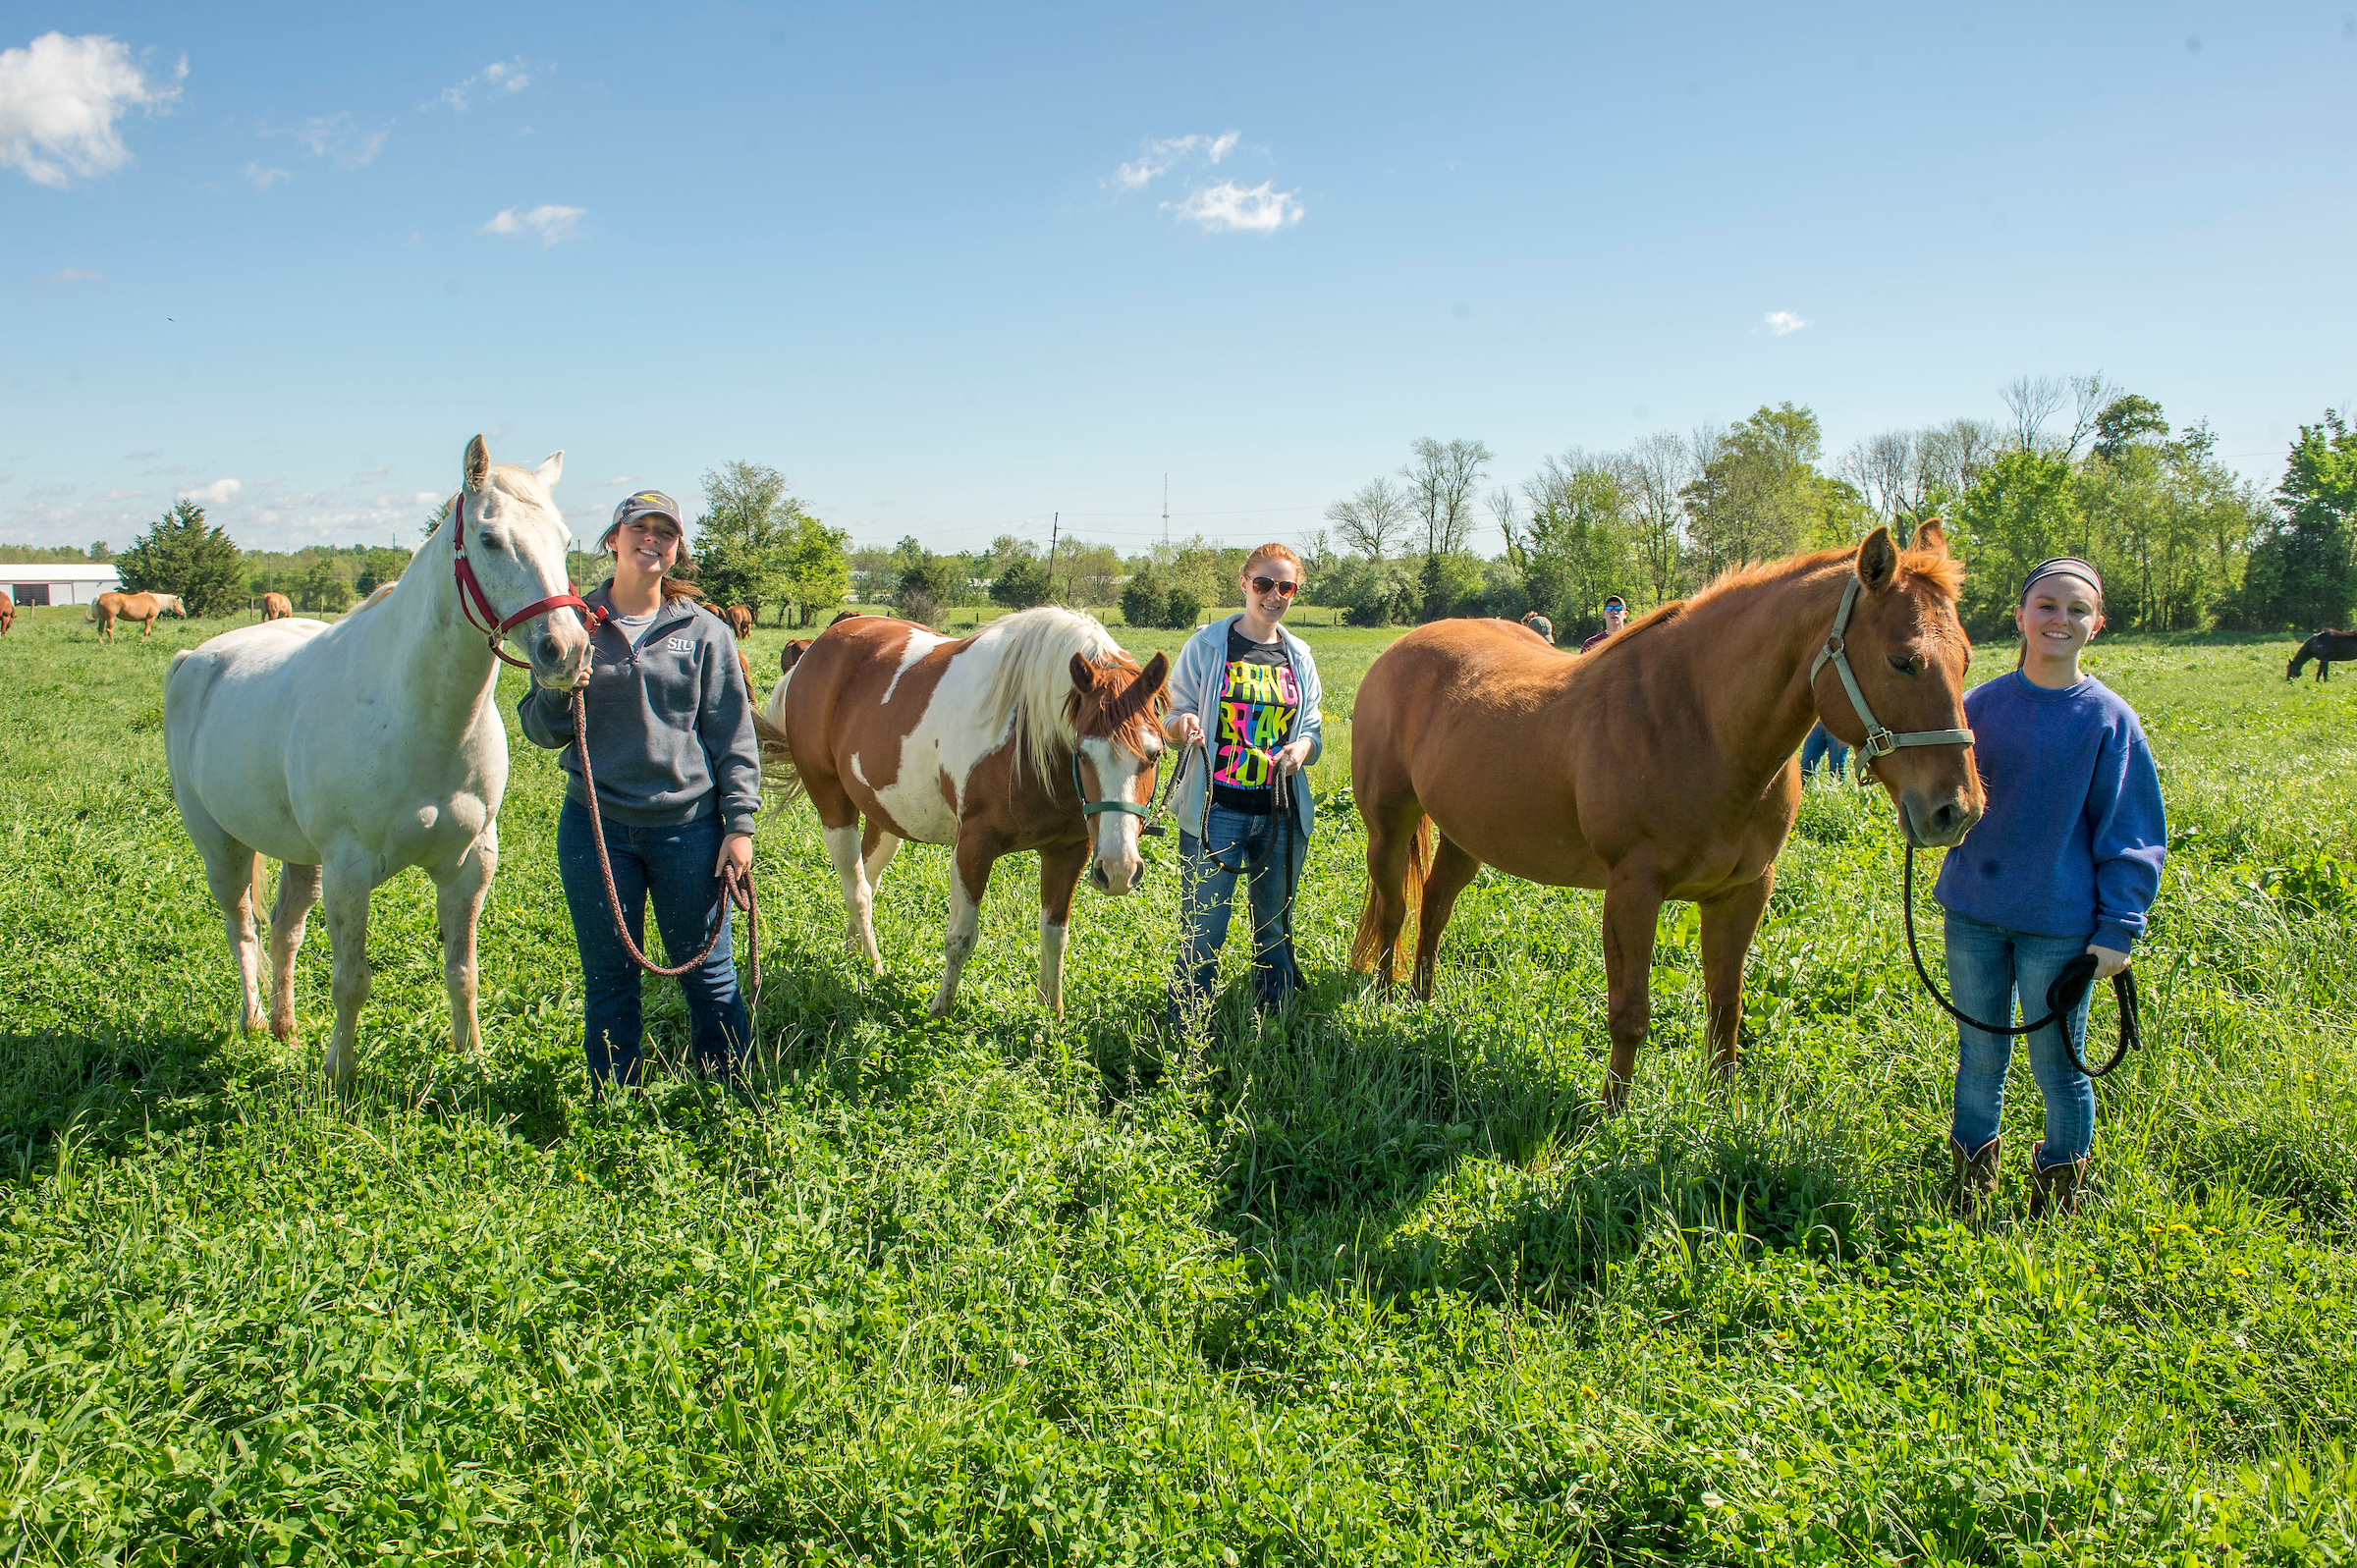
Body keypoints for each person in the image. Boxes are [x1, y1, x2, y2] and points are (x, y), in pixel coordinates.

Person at [1940, 557, 2165, 1220]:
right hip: (1974, 916)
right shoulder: (1978, 706)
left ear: (2097, 623)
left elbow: (2131, 829)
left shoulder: (2108, 720)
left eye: (2074, 609)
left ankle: (2060, 1194)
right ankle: (1970, 1185)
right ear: (2020, 616)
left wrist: (2118, 928)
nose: (2058, 620)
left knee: (2059, 1066)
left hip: (2060, 928)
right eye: (2046, 606)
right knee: (1979, 1057)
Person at [519, 491, 761, 1095]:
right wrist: (554, 688)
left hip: (689, 830)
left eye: (664, 532)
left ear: (676, 549)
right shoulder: (572, 624)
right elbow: (538, 728)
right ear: (612, 540)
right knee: (608, 977)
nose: (650, 540)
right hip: (596, 830)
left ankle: (728, 1094)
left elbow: (732, 732)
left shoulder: (703, 632)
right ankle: (614, 1101)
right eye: (639, 528)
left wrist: (739, 827)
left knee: (709, 976)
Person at [1162, 544, 1325, 1032]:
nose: (1274, 596)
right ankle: (1185, 1027)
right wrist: (1183, 723)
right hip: (1218, 812)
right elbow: (1171, 716)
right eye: (1264, 584)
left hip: (1279, 813)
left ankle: (1274, 1019)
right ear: (1244, 584)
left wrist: (1301, 751)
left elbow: (1312, 729)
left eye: (1286, 587)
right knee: (1204, 928)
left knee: (1274, 928)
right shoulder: (1208, 646)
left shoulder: (1299, 656)